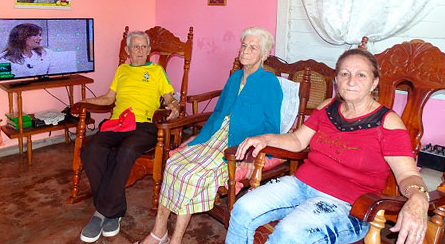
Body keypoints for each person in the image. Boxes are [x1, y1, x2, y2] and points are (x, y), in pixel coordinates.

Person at [226, 48, 430, 244]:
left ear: (374, 83)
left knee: (289, 234)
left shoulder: (387, 122)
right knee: (242, 208)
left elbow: (406, 174)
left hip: (348, 206)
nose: (351, 81)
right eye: (344, 73)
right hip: (299, 185)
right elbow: (297, 141)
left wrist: (418, 196)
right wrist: (266, 138)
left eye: (361, 75)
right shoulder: (327, 107)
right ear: (337, 79)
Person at [135, 27, 284, 244]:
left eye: (253, 47)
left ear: (264, 55)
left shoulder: (270, 83)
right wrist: (194, 140)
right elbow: (218, 113)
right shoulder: (234, 78)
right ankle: (159, 233)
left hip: (237, 146)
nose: (245, 51)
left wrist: (254, 157)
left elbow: (272, 127)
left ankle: (175, 240)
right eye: (244, 45)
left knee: (192, 176)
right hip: (214, 137)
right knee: (173, 163)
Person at [79, 31, 180, 243]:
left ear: (150, 50)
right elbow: (109, 98)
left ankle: (100, 213)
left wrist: (174, 107)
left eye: (144, 47)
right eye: (136, 47)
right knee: (92, 149)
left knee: (126, 151)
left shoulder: (156, 71)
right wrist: (84, 101)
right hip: (117, 123)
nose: (141, 51)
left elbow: (169, 98)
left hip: (144, 125)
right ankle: (113, 211)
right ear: (127, 51)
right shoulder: (122, 70)